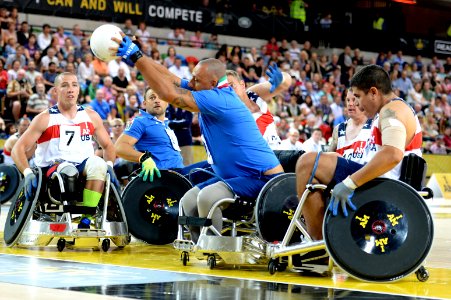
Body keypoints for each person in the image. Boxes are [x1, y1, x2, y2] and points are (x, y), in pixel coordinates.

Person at [114, 34, 284, 242]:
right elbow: (171, 78)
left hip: (262, 178)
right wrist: (138, 57)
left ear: (212, 82)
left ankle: (217, 250)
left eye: (196, 79)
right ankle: (200, 250)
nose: (191, 82)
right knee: (188, 201)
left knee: (207, 197)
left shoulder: (218, 99)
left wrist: (137, 58)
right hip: (237, 175)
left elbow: (169, 93)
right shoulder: (210, 88)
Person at [295, 64, 422, 240]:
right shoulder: (389, 111)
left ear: (373, 92)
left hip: (384, 186)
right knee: (324, 159)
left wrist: (350, 183)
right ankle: (321, 237)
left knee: (307, 163)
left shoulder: (391, 112)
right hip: (380, 181)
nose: (358, 105)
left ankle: (318, 245)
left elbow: (392, 154)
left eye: (358, 97)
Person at [11, 72, 118, 229]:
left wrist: (109, 165)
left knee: (98, 165)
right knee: (67, 170)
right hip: (52, 170)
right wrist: (27, 173)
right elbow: (17, 149)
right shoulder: (44, 118)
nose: (71, 89)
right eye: (65, 85)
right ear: (55, 91)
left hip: (82, 166)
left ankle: (86, 219)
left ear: (79, 90)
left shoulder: (91, 116)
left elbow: (108, 146)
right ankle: (63, 216)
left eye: (74, 85)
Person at [226, 66, 291, 150]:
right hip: (260, 157)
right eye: (224, 89)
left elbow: (286, 83)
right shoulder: (228, 113)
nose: (229, 91)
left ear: (242, 84)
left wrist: (282, 79)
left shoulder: (253, 94)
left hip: (278, 150)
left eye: (231, 86)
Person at [328, 89, 372, 163]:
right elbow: (328, 160)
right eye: (348, 100)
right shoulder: (339, 129)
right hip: (343, 174)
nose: (350, 104)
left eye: (354, 100)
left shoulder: (375, 124)